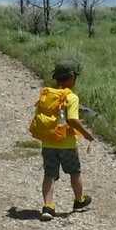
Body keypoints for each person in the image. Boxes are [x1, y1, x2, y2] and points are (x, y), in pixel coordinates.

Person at [27, 57, 93, 220]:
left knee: (49, 175)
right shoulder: (71, 97)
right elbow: (72, 120)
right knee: (74, 173)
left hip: (48, 142)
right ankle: (79, 200)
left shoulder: (47, 94)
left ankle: (48, 206)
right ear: (72, 78)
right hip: (67, 144)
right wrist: (86, 134)